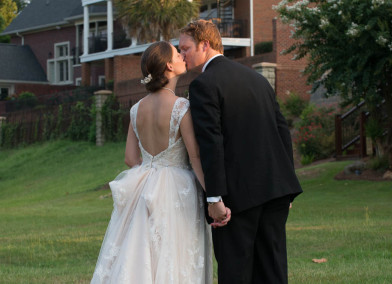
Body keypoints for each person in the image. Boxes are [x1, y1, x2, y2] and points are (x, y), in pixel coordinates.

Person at [179, 20, 303, 284]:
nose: (182, 55)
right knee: (273, 271)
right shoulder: (257, 79)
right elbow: (282, 131)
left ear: (205, 44)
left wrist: (214, 198)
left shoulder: (203, 85)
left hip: (237, 199)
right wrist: (287, 186)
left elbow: (211, 142)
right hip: (276, 190)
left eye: (185, 48)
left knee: (235, 273)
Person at [90, 41, 219, 284]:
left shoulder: (136, 108)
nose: (183, 55)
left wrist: (152, 169)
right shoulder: (182, 106)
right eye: (177, 53)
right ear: (169, 65)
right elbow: (195, 156)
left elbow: (130, 159)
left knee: (143, 250)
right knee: (176, 251)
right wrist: (213, 195)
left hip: (144, 185)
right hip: (177, 189)